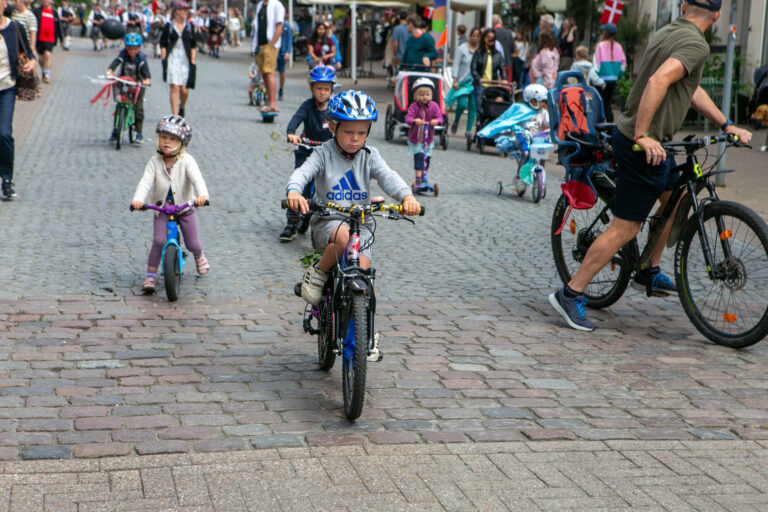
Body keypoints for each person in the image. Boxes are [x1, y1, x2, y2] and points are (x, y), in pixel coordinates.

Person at [548, 0, 753, 332]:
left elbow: (689, 87)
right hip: (642, 144)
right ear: (717, 16)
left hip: (659, 144)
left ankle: (648, 269)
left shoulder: (668, 32)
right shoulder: (696, 44)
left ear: (684, 6)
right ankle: (570, 294)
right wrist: (643, 135)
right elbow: (658, 81)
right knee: (625, 228)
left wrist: (725, 123)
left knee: (675, 197)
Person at [286, 90, 421, 307]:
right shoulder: (323, 153)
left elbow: (388, 176)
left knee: (364, 277)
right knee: (344, 239)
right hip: (328, 222)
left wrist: (407, 197)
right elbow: (303, 172)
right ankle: (318, 272)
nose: (355, 138)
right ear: (332, 127)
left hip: (362, 225)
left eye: (361, 132)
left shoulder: (370, 155)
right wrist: (294, 191)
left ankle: (363, 333)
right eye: (348, 132)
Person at [131, 116, 209, 294]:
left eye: (173, 139)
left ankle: (198, 256)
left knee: (193, 243)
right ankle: (150, 276)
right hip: (162, 209)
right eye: (163, 137)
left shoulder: (187, 161)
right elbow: (145, 182)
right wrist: (138, 200)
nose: (166, 142)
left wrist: (202, 196)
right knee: (159, 241)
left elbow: (198, 179)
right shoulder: (154, 161)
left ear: (182, 143)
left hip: (185, 208)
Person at [279, 66, 335, 242]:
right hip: (306, 149)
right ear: (311, 88)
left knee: (332, 186)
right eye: (319, 88)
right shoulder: (307, 106)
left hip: (327, 152)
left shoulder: (334, 107)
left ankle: (332, 220)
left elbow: (342, 124)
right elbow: (295, 120)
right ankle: (291, 222)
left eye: (326, 89)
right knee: (299, 184)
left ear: (331, 89)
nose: (322, 92)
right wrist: (291, 133)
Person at [0, 0, 36, 200]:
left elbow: (28, 55)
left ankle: (6, 179)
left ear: (4, 3)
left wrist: (31, 64)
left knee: (4, 133)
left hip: (6, 88)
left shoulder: (15, 28)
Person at [107, 33, 151, 144]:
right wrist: (110, 71)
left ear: (139, 48)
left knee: (138, 109)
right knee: (119, 104)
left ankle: (139, 133)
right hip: (124, 83)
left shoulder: (141, 58)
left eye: (134, 49)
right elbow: (116, 62)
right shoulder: (123, 54)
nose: (132, 51)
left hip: (137, 85)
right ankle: (116, 131)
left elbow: (147, 75)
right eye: (129, 48)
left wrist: (146, 80)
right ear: (126, 47)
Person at [406, 78, 443, 192]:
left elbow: (440, 117)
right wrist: (414, 121)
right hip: (416, 139)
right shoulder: (414, 106)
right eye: (422, 95)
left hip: (428, 138)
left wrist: (436, 121)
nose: (425, 97)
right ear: (417, 95)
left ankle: (424, 178)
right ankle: (418, 179)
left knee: (427, 158)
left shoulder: (434, 106)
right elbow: (408, 118)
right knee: (419, 157)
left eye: (427, 94)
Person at [160, 1, 196, 117]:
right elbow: (163, 42)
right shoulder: (169, 26)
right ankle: (175, 115)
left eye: (187, 10)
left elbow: (193, 44)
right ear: (177, 11)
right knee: (174, 87)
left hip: (185, 59)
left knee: (184, 90)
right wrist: (164, 55)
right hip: (173, 58)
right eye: (184, 10)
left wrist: (193, 58)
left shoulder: (190, 26)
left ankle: (182, 107)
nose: (186, 12)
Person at [251, 0, 284, 115]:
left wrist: (272, 44)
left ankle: (273, 104)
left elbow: (279, 26)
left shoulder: (277, 4)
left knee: (269, 72)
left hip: (269, 44)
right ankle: (269, 102)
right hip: (260, 44)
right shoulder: (260, 5)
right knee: (264, 73)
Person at [446, 26, 480, 136]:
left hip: (474, 83)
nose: (475, 38)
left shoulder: (480, 51)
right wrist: (454, 79)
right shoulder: (462, 48)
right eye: (473, 36)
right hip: (462, 82)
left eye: (478, 36)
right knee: (461, 104)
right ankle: (456, 121)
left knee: (473, 106)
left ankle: (468, 130)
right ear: (469, 36)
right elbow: (456, 64)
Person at [593, 23, 626, 123]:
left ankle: (599, 124)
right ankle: (610, 124)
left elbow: (596, 64)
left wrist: (595, 77)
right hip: (613, 79)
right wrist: (619, 76)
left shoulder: (600, 46)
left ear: (605, 33)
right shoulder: (619, 47)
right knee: (607, 102)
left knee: (600, 102)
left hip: (601, 79)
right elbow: (623, 64)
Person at [470, 28, 506, 113]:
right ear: (484, 38)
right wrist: (479, 78)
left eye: (493, 38)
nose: (491, 40)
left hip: (492, 86)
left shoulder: (497, 55)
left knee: (492, 109)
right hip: (480, 86)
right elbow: (473, 68)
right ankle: (480, 124)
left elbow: (502, 68)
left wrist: (504, 79)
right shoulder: (478, 53)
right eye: (489, 37)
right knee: (480, 108)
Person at [32, 0, 62, 84]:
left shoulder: (54, 12)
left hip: (50, 38)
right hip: (39, 38)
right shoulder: (37, 11)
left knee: (47, 54)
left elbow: (58, 26)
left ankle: (47, 75)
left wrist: (61, 38)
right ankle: (44, 70)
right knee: (41, 58)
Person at [491, 14, 515, 84]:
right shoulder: (509, 33)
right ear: (501, 22)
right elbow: (512, 50)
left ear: (492, 23)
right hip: (507, 63)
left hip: (494, 65)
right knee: (507, 88)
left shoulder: (491, 33)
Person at [276, 14, 292, 101]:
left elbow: (289, 39)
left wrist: (287, 52)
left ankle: (281, 89)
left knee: (282, 73)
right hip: (273, 51)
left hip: (282, 52)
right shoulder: (272, 25)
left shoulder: (286, 26)